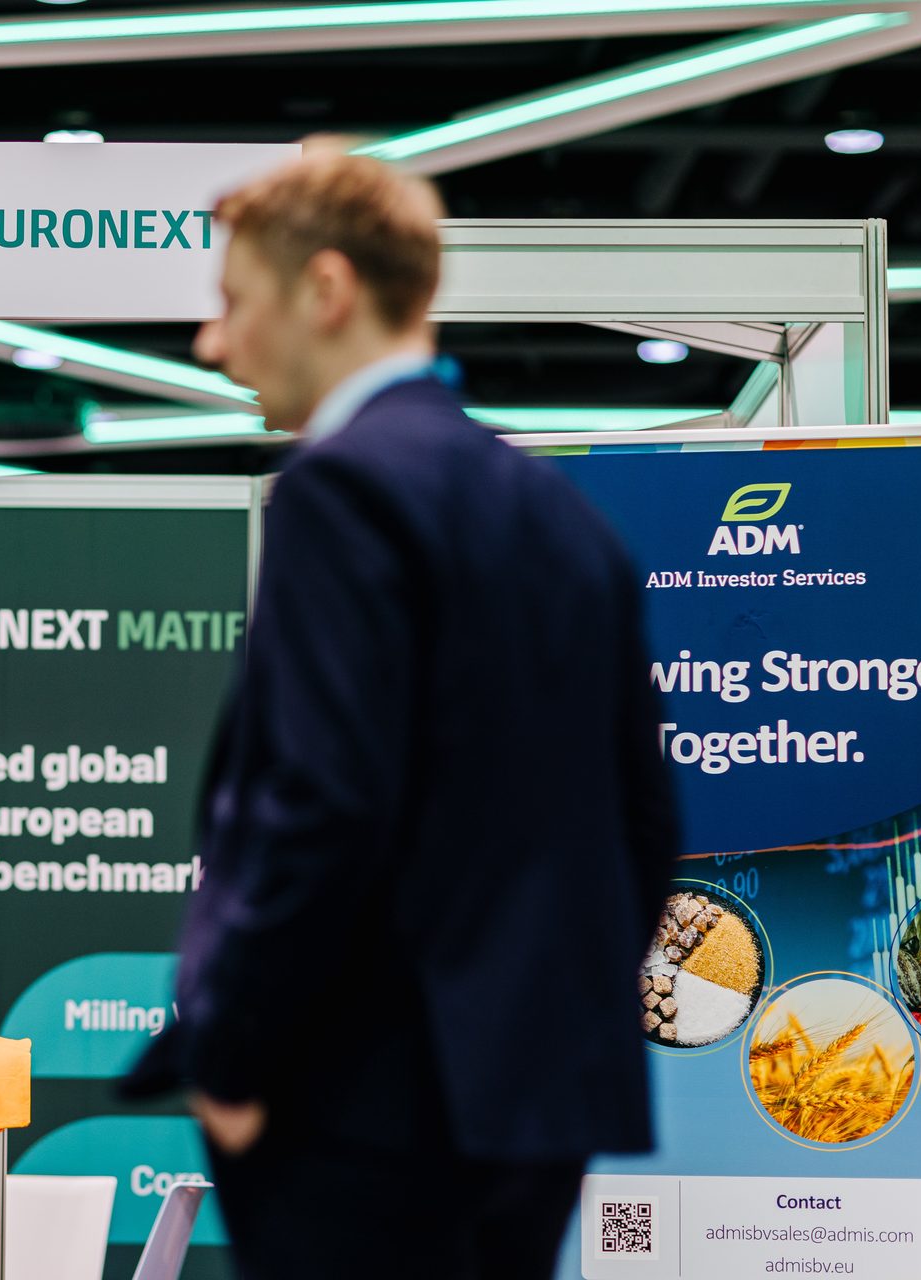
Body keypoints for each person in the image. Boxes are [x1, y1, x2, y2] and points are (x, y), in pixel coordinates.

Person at [126, 152, 679, 1278]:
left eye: (233, 301)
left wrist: (232, 1056)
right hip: (532, 1113)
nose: (213, 343)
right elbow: (646, 819)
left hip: (361, 1107)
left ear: (325, 290)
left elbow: (322, 802)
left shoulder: (343, 491)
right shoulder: (561, 514)